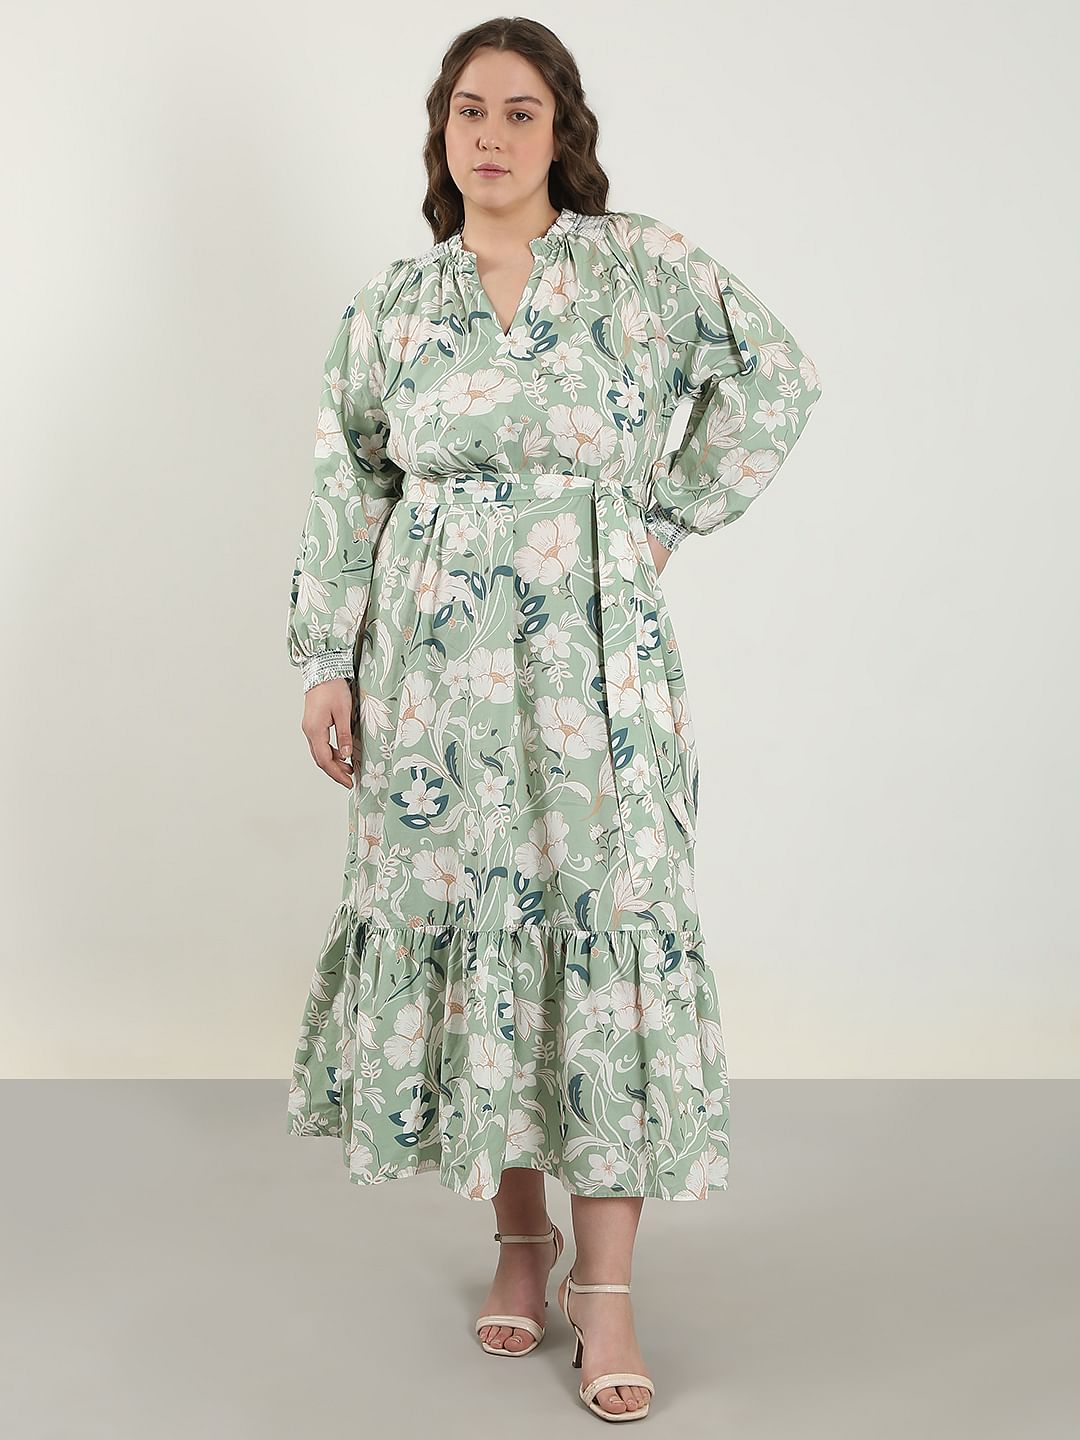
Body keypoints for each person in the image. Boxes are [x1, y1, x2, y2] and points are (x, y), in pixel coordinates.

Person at [283, 16, 821, 1422]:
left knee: (605, 920)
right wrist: (327, 660)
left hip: (596, 665)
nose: (494, 135)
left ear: (562, 132)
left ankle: (610, 1290)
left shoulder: (637, 268)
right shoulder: (395, 304)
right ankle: (518, 1243)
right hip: (432, 673)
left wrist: (664, 517)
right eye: (472, 109)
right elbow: (349, 483)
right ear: (441, 130)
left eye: (523, 111)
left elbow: (777, 374)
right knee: (485, 929)